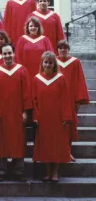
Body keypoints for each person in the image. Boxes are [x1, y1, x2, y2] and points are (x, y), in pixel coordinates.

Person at [0, 43, 32, 182]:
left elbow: (26, 93)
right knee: (0, 141)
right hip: (1, 113)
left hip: (17, 112)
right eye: (4, 53)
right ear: (1, 55)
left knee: (17, 141)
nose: (7, 56)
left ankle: (18, 170)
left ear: (14, 54)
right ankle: (1, 170)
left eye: (9, 53)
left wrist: (25, 111)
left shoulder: (22, 70)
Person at [32, 51, 73, 183]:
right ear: (42, 63)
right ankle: (47, 172)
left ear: (54, 64)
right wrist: (35, 116)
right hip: (43, 118)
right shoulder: (36, 79)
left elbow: (66, 99)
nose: (48, 64)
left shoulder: (60, 79)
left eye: (50, 62)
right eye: (45, 62)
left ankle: (55, 173)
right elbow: (34, 100)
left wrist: (66, 117)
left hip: (57, 117)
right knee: (46, 145)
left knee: (56, 145)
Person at [57, 40, 90, 161]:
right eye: (60, 48)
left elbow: (79, 81)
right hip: (56, 99)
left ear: (68, 49)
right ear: (57, 49)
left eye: (65, 48)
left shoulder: (75, 62)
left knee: (69, 127)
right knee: (57, 127)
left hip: (70, 98)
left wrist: (78, 100)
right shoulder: (53, 61)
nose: (62, 50)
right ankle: (58, 151)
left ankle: (67, 152)